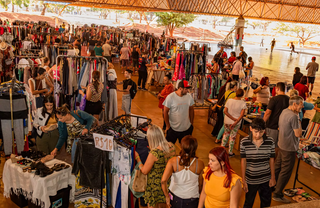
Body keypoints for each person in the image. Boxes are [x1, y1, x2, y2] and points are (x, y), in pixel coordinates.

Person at [134, 124, 175, 208]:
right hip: (167, 183)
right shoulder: (172, 147)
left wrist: (138, 158)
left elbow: (144, 171)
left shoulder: (154, 153)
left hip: (154, 186)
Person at [273, 96, 303, 203]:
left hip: (281, 144)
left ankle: (271, 186)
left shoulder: (284, 111)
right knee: (285, 171)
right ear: (294, 104)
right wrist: (298, 118)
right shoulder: (294, 117)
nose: (302, 106)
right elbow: (298, 133)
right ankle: (277, 194)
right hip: (289, 148)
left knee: (277, 167)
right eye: (300, 104)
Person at [241, 118, 276, 208]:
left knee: (266, 203)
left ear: (264, 130)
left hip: (266, 179)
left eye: (261, 132)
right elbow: (243, 161)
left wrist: (273, 177)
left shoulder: (270, 141)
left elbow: (271, 160)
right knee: (248, 203)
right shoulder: (244, 142)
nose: (258, 135)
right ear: (251, 128)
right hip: (251, 180)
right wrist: (244, 180)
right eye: (256, 131)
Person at [161, 136, 205, 208]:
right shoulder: (200, 164)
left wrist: (167, 196)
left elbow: (163, 181)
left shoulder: (173, 161)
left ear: (181, 146)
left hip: (175, 198)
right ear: (195, 148)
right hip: (192, 199)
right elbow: (201, 184)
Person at [163, 80, 194, 145]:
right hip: (173, 129)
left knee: (185, 149)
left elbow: (191, 109)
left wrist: (191, 123)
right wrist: (168, 126)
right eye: (186, 89)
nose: (187, 91)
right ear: (180, 88)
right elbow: (165, 111)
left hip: (186, 129)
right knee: (168, 148)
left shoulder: (189, 97)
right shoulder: (170, 97)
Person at [221, 89, 247, 157]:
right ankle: (230, 152)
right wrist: (235, 121)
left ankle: (221, 150)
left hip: (227, 121)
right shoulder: (243, 103)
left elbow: (225, 111)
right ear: (242, 95)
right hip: (236, 123)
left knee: (225, 135)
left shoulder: (229, 100)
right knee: (232, 137)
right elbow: (242, 115)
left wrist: (232, 118)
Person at [263, 82, 289, 149]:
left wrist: (262, 123)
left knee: (270, 146)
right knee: (279, 147)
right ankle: (275, 159)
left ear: (277, 89)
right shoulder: (289, 99)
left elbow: (268, 113)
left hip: (272, 126)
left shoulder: (274, 99)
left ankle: (269, 159)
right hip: (283, 127)